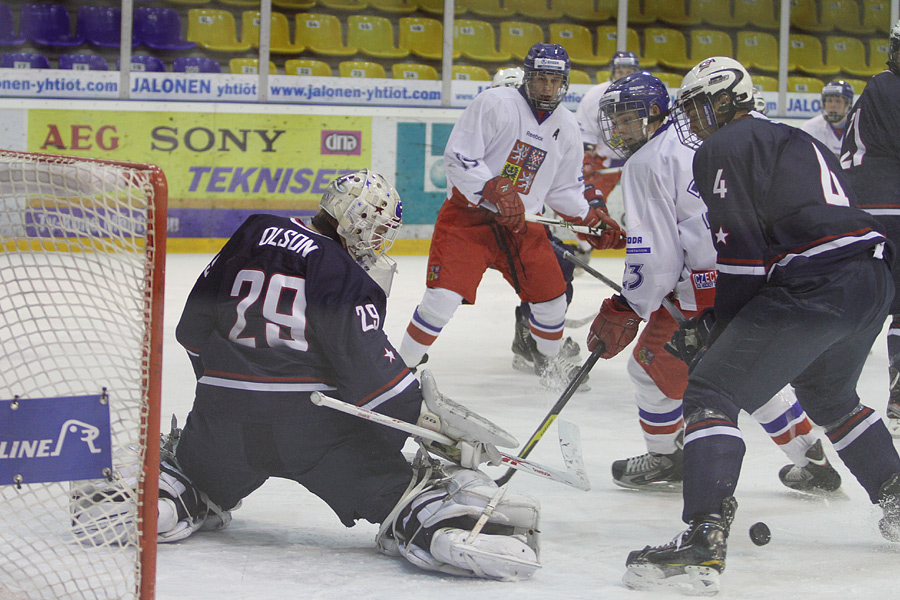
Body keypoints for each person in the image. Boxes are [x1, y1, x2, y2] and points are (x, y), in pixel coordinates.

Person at [154, 170, 542, 581]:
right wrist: (431, 426)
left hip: (222, 427)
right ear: (352, 217)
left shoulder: (254, 231)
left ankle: (165, 502)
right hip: (315, 437)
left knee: (194, 472)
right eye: (376, 228)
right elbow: (374, 383)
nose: (376, 242)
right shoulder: (342, 272)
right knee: (403, 494)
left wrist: (224, 387)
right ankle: (440, 526)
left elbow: (191, 332)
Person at [623, 56, 900, 595]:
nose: (695, 120)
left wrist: (718, 323)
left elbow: (742, 253)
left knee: (710, 389)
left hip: (815, 282)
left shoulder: (723, 148)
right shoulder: (800, 139)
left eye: (701, 106)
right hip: (872, 278)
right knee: (830, 394)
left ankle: (703, 537)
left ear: (727, 100)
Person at [586, 72, 840, 494]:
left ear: (653, 114)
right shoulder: (703, 139)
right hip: (747, 272)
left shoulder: (647, 161)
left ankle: (668, 458)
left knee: (658, 370)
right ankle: (810, 455)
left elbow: (657, 257)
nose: (621, 129)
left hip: (701, 290)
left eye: (628, 119)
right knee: (745, 370)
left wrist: (627, 306)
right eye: (615, 120)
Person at [397, 43, 624, 390]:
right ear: (528, 78)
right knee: (440, 300)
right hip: (469, 220)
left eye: (554, 81)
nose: (547, 88)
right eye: (540, 79)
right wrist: (492, 187)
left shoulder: (567, 124)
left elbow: (563, 188)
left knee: (552, 299)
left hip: (523, 226)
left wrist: (588, 218)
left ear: (563, 83)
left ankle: (550, 364)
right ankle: (399, 369)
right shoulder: (495, 103)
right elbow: (458, 157)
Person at [842, 21, 900, 437]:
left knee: (869, 304)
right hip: (887, 208)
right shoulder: (885, 87)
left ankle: (825, 383)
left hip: (866, 211)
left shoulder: (878, 85)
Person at [800, 79, 853, 157]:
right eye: (829, 101)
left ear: (848, 105)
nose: (832, 105)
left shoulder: (859, 128)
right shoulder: (810, 128)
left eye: (838, 101)